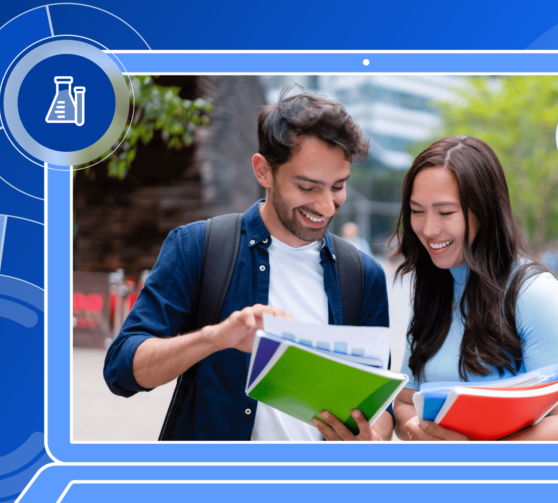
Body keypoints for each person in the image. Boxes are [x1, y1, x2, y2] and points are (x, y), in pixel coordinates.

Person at [103, 84, 393, 441]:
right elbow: (122, 370)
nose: (326, 206)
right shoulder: (198, 247)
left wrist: (372, 438)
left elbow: (381, 405)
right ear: (263, 171)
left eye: (338, 187)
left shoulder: (364, 276)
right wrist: (213, 338)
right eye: (307, 187)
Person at [391, 136, 558, 441]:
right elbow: (405, 402)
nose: (428, 229)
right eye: (417, 211)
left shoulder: (535, 295)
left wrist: (475, 455)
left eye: (445, 212)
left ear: (484, 211)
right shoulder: (434, 287)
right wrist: (425, 433)